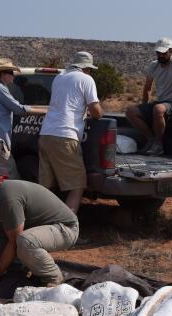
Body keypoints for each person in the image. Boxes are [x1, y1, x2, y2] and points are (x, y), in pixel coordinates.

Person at [38, 51, 104, 213]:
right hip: (65, 135)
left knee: (46, 187)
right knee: (77, 184)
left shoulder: (59, 77)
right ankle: (66, 228)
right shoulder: (86, 79)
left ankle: (39, 222)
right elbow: (96, 111)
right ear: (86, 67)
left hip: (46, 134)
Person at [125, 37, 172, 155]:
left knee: (158, 109)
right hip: (161, 103)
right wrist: (144, 106)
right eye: (158, 53)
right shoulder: (153, 66)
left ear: (171, 51)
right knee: (130, 111)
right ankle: (151, 140)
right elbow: (147, 88)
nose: (160, 55)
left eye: (163, 53)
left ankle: (158, 145)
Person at [0, 58, 45, 179]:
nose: (13, 75)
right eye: (10, 72)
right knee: (12, 178)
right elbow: (19, 108)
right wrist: (46, 111)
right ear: (2, 74)